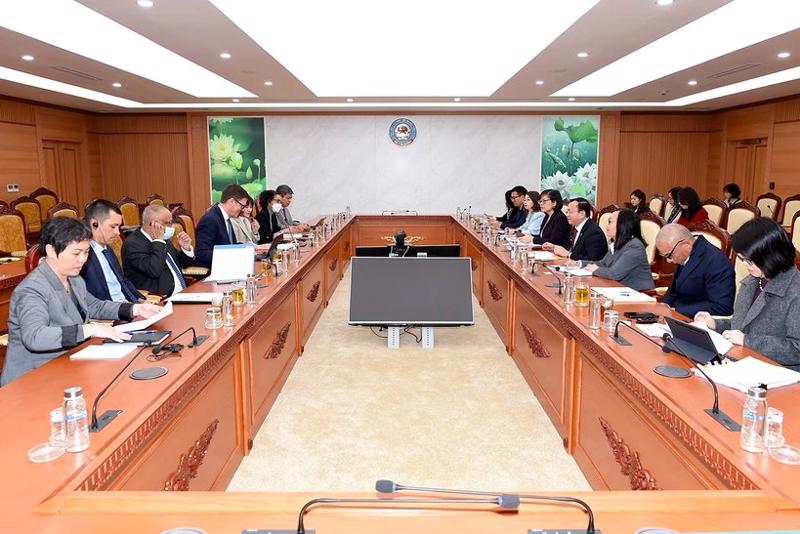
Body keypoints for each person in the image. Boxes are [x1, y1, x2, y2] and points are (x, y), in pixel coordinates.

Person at [0, 217, 161, 386]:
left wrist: (134, 310)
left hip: (69, 363)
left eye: (86, 252)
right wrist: (89, 329)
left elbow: (94, 306)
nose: (83, 259)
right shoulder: (32, 289)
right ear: (51, 250)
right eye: (76, 253)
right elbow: (35, 337)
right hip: (33, 377)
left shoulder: (74, 278)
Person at [694, 218, 800, 370]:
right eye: (741, 259)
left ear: (771, 256)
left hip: (778, 375)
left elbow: (797, 348)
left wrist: (748, 341)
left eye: (749, 261)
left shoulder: (795, 289)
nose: (744, 265)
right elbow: (744, 326)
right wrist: (716, 324)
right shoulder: (753, 281)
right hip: (743, 362)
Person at [656, 224, 735, 317]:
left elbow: (722, 306)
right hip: (675, 317)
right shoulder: (683, 253)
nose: (669, 261)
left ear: (686, 244)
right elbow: (674, 291)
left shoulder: (716, 261)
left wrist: (675, 311)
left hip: (697, 321)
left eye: (669, 255)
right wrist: (664, 307)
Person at [122, 205, 195, 297]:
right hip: (160, 297)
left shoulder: (164, 239)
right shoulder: (133, 244)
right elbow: (154, 270)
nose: (172, 226)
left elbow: (182, 265)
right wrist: (158, 241)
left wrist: (186, 248)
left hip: (182, 293)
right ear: (153, 224)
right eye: (168, 223)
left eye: (172, 222)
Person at [80, 199, 143, 303]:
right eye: (113, 226)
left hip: (125, 305)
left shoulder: (107, 249)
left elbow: (121, 279)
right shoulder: (82, 255)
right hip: (108, 311)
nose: (118, 232)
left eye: (119, 227)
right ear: (94, 224)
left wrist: (139, 300)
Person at [586, 209, 654, 291]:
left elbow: (614, 274)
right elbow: (603, 263)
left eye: (610, 222)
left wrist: (595, 269)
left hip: (638, 294)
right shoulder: (619, 243)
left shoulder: (635, 246)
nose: (606, 225)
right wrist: (579, 264)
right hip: (619, 289)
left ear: (623, 225)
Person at [195, 184, 250, 267]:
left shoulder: (224, 217)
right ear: (232, 201)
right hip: (218, 270)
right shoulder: (210, 219)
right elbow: (202, 253)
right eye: (242, 206)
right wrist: (230, 256)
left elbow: (229, 245)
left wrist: (247, 247)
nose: (242, 210)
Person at [544, 197, 608, 262]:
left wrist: (568, 254)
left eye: (570, 212)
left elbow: (593, 260)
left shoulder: (593, 232)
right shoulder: (576, 228)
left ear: (582, 214)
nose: (567, 215)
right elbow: (574, 250)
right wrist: (554, 247)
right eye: (567, 212)